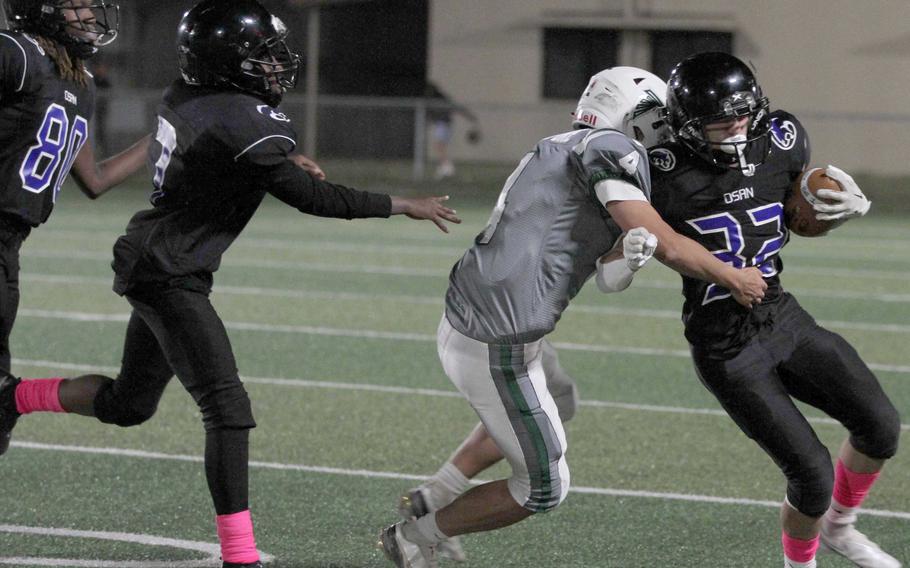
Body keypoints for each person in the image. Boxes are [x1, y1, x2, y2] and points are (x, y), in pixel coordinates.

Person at [0, 2, 459, 568]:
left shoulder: (191, 95)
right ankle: (239, 557)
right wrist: (401, 204)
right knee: (228, 409)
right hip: (168, 273)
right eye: (263, 58)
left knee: (130, 404)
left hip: (157, 261)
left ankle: (14, 397)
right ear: (230, 64)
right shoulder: (235, 117)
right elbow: (311, 197)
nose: (276, 68)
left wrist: (278, 158)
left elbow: (219, 145)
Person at [377, 66, 769, 568]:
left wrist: (628, 255)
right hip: (498, 341)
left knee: (559, 399)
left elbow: (610, 275)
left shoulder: (563, 146)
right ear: (631, 113)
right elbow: (666, 243)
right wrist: (731, 276)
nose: (664, 128)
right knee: (544, 488)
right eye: (656, 116)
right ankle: (415, 535)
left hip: (482, 317)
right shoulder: (611, 147)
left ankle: (435, 492)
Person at [648, 52, 900, 568]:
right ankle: (799, 563)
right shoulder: (662, 172)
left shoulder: (781, 139)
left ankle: (840, 527)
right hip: (726, 346)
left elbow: (792, 207)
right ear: (687, 124)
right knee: (811, 476)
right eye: (722, 120)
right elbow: (626, 246)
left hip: (781, 315)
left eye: (745, 114)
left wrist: (824, 209)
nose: (738, 128)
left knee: (880, 425)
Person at [0, 0, 149, 379]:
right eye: (76, 7)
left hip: (10, 242)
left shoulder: (78, 80)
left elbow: (94, 180)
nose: (88, 16)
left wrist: (165, 135)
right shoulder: (16, 52)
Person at [424, 81, 480, 180]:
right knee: (439, 146)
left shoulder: (440, 99)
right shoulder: (433, 100)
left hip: (443, 124)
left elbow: (456, 108)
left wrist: (470, 117)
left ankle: (447, 167)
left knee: (439, 145)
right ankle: (444, 166)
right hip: (442, 124)